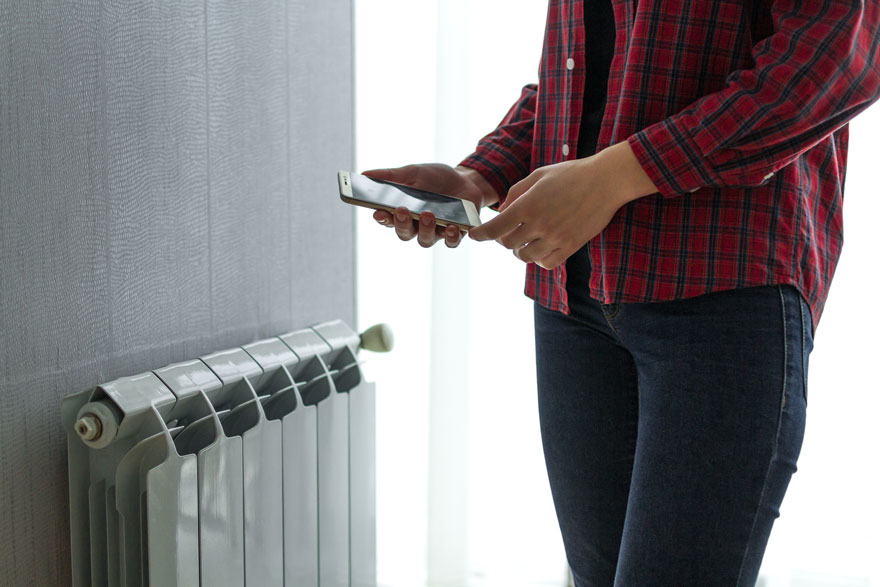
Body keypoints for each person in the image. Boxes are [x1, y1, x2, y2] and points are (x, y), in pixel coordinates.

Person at [365, 0, 880, 584]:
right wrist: (481, 175)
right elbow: (592, 65)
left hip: (723, 289)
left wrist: (615, 176)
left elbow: (836, 58)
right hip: (573, 295)